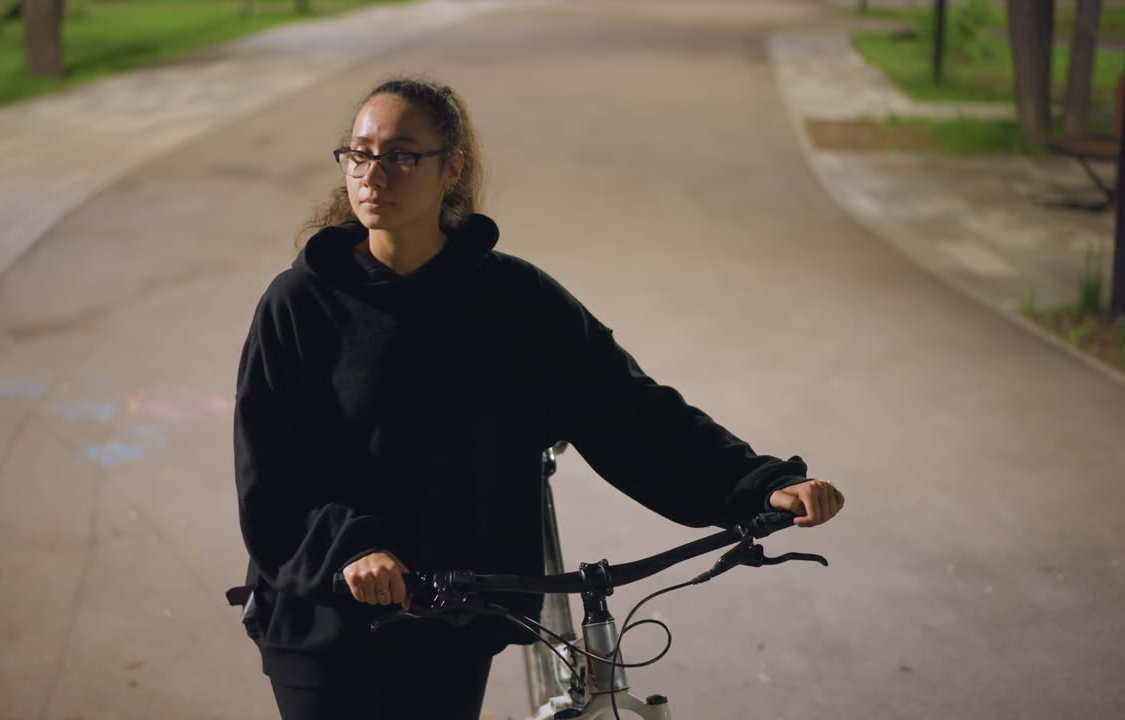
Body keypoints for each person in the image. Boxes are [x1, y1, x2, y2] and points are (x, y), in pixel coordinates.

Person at [231, 75, 844, 720]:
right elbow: (269, 472)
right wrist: (351, 549)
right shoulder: (300, 303)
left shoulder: (515, 301)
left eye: (401, 155)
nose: (373, 173)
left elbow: (631, 412)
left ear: (452, 169)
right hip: (327, 625)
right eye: (359, 153)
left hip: (455, 617)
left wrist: (758, 483)